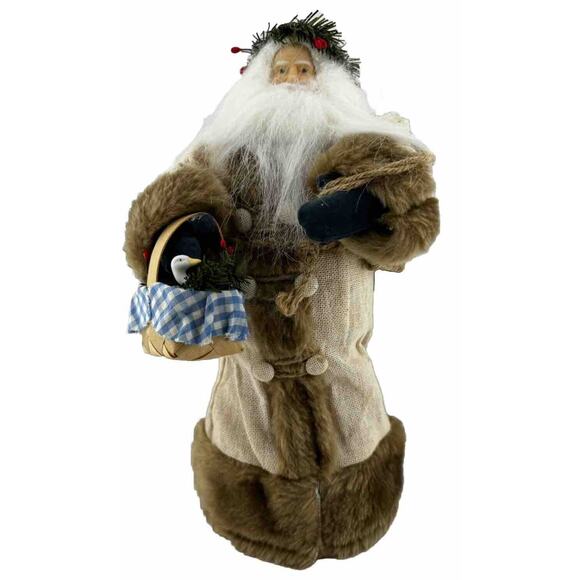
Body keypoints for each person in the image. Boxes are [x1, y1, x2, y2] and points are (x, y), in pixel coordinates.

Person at [124, 12, 439, 569]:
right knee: (253, 417)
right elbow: (162, 215)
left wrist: (372, 207)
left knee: (346, 407)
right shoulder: (217, 156)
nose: (293, 80)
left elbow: (413, 224)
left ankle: (352, 508)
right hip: (248, 368)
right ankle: (255, 515)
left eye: (304, 69)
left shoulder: (369, 150)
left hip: (340, 354)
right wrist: (178, 232)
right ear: (256, 83)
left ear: (331, 81)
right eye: (281, 70)